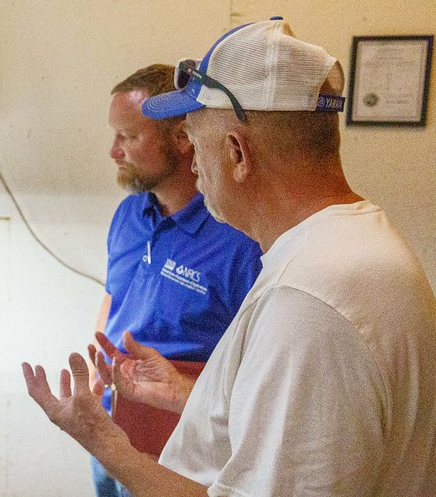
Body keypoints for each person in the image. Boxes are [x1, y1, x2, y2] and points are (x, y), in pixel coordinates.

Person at [23, 17, 436, 496]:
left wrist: (104, 444)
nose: (194, 167)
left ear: (237, 153)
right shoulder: (345, 247)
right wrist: (184, 395)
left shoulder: (306, 302)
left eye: (196, 144)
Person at [91, 65, 262, 497]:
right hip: (109, 428)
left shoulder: (239, 238)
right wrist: (96, 370)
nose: (114, 151)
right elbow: (113, 299)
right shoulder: (129, 214)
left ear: (183, 138)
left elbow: (256, 363)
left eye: (128, 137)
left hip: (179, 449)